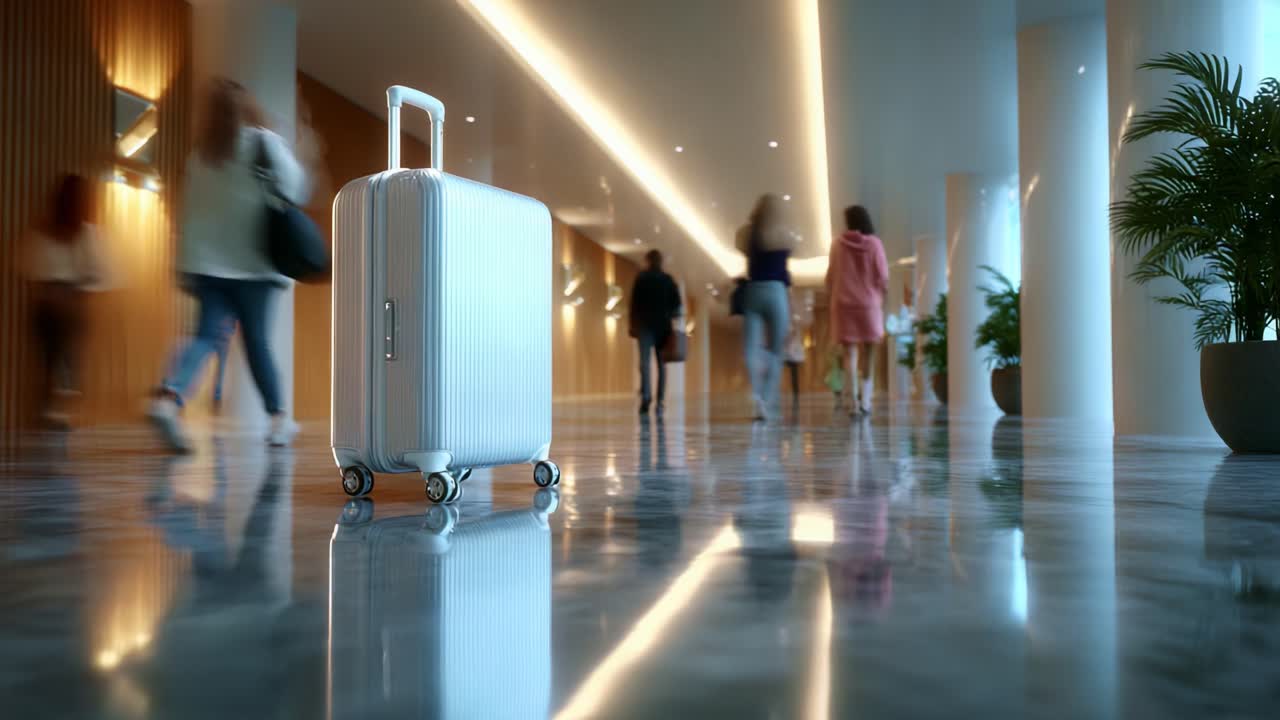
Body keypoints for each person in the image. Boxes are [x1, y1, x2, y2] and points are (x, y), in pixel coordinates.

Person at [148, 77, 310, 451]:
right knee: (257, 343)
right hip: (254, 267)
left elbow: (188, 215)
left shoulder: (201, 155)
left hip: (207, 267)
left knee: (204, 336)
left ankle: (167, 399)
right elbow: (296, 187)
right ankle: (278, 420)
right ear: (246, 107)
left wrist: (184, 266)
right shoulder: (263, 143)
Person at [24, 174, 112, 429]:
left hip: (47, 304)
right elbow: (99, 273)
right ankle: (58, 408)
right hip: (72, 303)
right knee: (68, 358)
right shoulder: (87, 232)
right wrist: (78, 289)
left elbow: (31, 266)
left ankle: (51, 409)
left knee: (50, 359)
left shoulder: (45, 228)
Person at [735, 193, 797, 422]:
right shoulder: (784, 235)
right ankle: (767, 400)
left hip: (753, 290)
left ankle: (757, 397)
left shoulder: (747, 234)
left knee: (750, 348)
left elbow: (740, 246)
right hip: (777, 291)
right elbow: (786, 273)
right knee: (777, 349)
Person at [825, 205, 888, 417]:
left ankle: (852, 403)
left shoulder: (837, 245)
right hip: (869, 304)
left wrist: (832, 296)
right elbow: (883, 276)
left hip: (843, 305)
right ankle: (866, 402)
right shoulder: (875, 244)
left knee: (849, 354)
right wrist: (880, 298)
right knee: (869, 354)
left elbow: (831, 277)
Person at [628, 249, 682, 416]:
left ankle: (646, 399)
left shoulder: (641, 278)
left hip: (645, 326)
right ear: (661, 261)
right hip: (663, 328)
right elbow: (677, 307)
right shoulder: (668, 280)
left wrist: (632, 324)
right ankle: (660, 401)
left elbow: (633, 305)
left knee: (644, 363)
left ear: (647, 260)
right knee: (661, 365)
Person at [824, 346, 847, 411]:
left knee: (839, 391)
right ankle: (839, 402)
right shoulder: (834, 357)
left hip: (838, 375)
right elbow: (829, 363)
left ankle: (840, 402)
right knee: (837, 391)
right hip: (835, 376)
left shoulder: (840, 358)